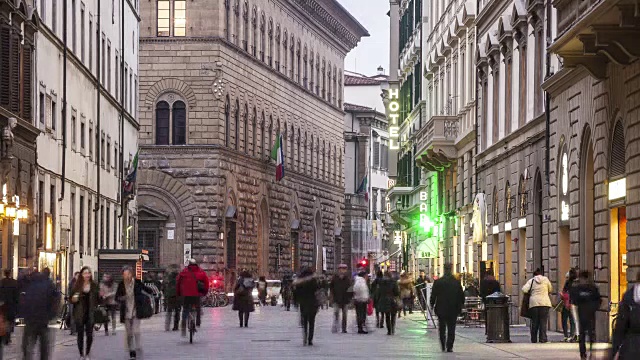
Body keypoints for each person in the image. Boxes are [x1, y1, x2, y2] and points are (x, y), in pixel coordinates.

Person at [21, 268, 59, 360]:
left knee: (28, 345)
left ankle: (26, 357)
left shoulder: (29, 283)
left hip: (30, 319)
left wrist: (23, 314)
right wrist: (51, 315)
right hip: (43, 319)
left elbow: (22, 299)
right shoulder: (49, 284)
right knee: (44, 346)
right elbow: (55, 299)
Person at [116, 266, 154, 360]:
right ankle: (131, 350)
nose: (127, 276)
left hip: (136, 310)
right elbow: (117, 297)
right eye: (125, 274)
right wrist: (122, 298)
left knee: (136, 330)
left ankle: (137, 347)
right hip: (126, 311)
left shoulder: (137, 282)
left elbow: (145, 288)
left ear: (131, 274)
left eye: (128, 274)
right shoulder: (121, 284)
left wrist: (152, 292)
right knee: (129, 333)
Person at [430, 263, 464, 353]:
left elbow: (433, 295)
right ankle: (450, 346)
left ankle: (443, 345)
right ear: (451, 269)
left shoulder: (438, 282)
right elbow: (461, 296)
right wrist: (460, 306)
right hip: (453, 308)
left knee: (442, 328)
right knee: (451, 328)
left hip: (441, 308)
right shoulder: (456, 282)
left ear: (444, 269)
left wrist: (432, 304)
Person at [569, 271, 601, 360]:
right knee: (584, 335)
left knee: (589, 335)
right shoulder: (584, 288)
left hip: (587, 314)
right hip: (585, 315)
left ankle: (589, 352)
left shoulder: (590, 288)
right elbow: (574, 300)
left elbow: (598, 300)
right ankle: (584, 354)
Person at [71, 266, 99, 360]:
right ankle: (81, 355)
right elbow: (72, 298)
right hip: (79, 313)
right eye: (85, 273)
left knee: (90, 335)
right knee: (80, 335)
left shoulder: (94, 285)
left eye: (88, 273)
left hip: (90, 313)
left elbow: (98, 299)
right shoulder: (77, 286)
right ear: (81, 275)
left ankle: (87, 353)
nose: (87, 275)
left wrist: (102, 297)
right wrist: (74, 298)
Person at [176, 259, 209, 335]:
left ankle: (183, 325)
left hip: (186, 295)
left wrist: (178, 294)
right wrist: (204, 292)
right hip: (196, 295)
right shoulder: (201, 272)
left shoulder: (183, 272)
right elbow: (206, 283)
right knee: (198, 308)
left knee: (185, 310)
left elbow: (178, 283)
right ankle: (197, 322)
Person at [612, 271, 640, 360]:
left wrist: (615, 350)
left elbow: (620, 327)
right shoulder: (629, 297)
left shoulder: (629, 296)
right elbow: (621, 326)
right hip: (633, 347)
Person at [522, 268, 553, 343]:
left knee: (535, 322)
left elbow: (524, 289)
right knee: (543, 322)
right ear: (541, 274)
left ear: (534, 274)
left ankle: (534, 339)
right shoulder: (546, 280)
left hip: (534, 303)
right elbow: (550, 289)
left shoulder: (531, 280)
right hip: (545, 303)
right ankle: (543, 339)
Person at [293, 267, 320, 346]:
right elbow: (317, 290)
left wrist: (296, 302)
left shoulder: (299, 282)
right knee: (312, 322)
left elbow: (296, 292)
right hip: (312, 304)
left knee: (304, 321)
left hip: (303, 304)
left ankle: (305, 336)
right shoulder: (313, 281)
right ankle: (310, 339)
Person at [329, 264, 352, 333]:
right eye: (341, 269)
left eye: (344, 269)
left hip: (345, 300)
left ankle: (344, 329)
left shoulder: (348, 279)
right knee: (336, 313)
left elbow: (350, 289)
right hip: (336, 299)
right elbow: (331, 288)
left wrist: (350, 298)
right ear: (339, 270)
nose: (343, 270)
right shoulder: (334, 278)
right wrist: (331, 297)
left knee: (345, 315)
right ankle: (335, 327)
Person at [0, 269, 18, 344]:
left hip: (3, 305)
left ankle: (5, 335)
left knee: (4, 320)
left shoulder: (1, 282)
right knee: (10, 321)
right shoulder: (14, 282)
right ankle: (8, 336)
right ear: (10, 273)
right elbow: (16, 295)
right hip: (11, 305)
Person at [559, 268, 577, 342]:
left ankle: (566, 335)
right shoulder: (577, 283)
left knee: (564, 319)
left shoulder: (568, 283)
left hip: (566, 303)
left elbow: (564, 292)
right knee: (572, 320)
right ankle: (572, 335)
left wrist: (562, 295)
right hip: (574, 304)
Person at [162, 265, 180, 331]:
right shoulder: (179, 277)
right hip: (177, 296)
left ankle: (167, 326)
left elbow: (164, 287)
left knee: (169, 311)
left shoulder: (168, 278)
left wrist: (165, 295)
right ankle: (176, 326)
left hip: (170, 296)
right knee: (177, 312)